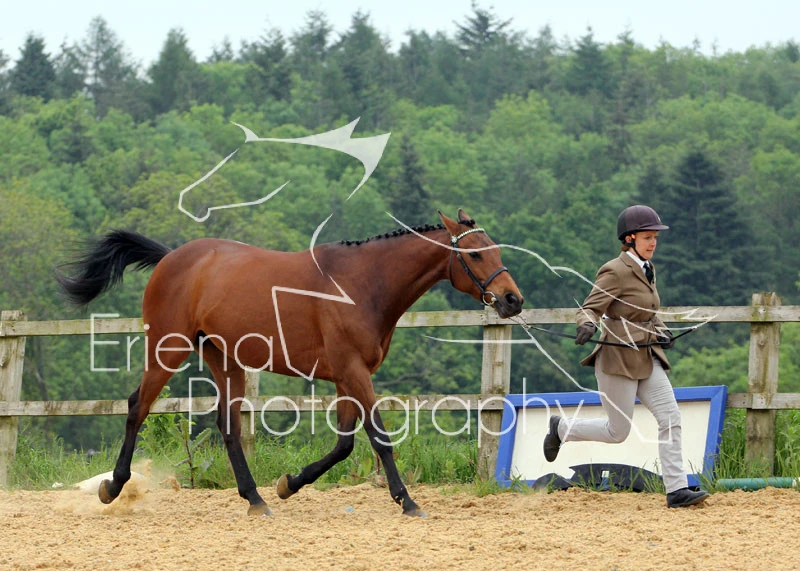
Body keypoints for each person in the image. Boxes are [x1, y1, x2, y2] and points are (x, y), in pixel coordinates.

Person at [542, 205, 709, 508]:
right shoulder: (614, 270)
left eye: (655, 237)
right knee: (617, 432)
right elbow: (590, 307)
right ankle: (561, 428)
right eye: (647, 238)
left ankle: (676, 490)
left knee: (670, 417)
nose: (653, 243)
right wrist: (586, 325)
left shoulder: (648, 268)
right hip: (617, 360)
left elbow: (647, 313)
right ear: (630, 238)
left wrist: (662, 331)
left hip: (647, 356)